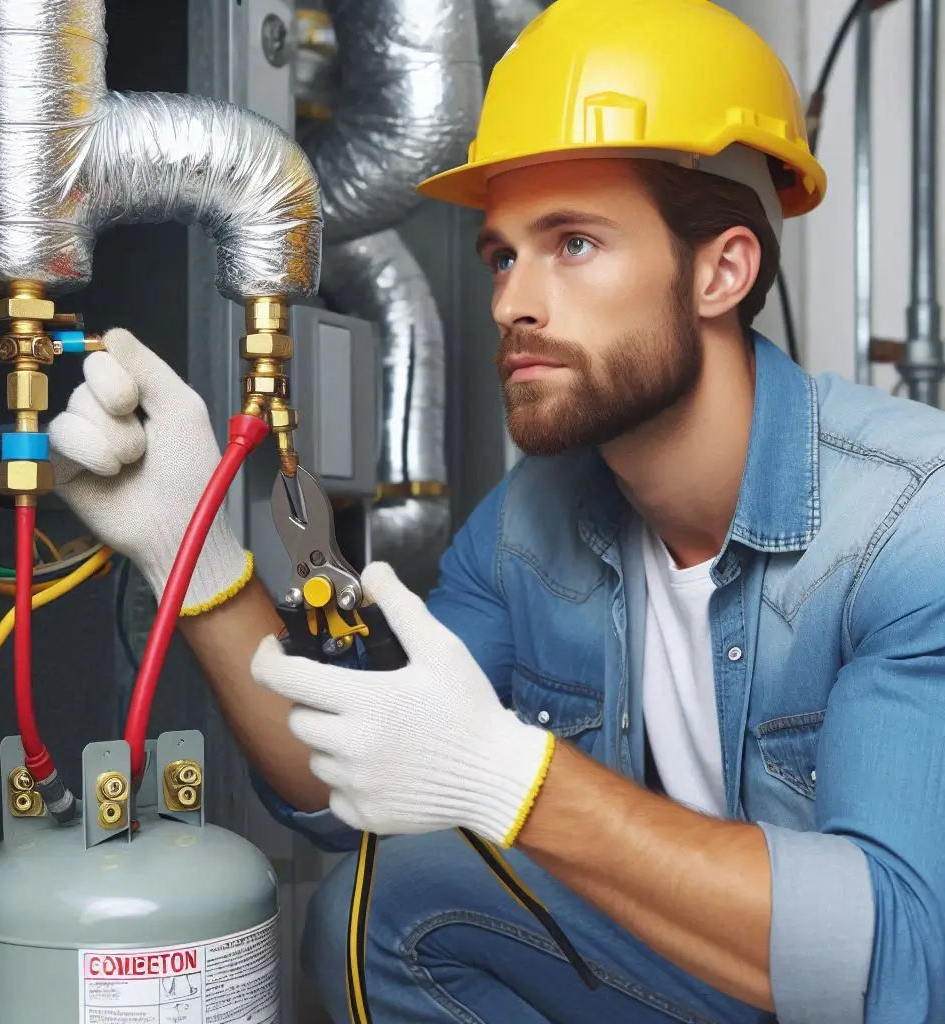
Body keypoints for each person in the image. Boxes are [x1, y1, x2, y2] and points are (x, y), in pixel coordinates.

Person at [47, 0, 945, 1021]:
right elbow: (340, 783)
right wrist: (191, 551)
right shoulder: (529, 527)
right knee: (381, 903)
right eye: (502, 255)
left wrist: (518, 780)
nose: (512, 300)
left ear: (721, 270)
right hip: (692, 983)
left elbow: (901, 963)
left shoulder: (907, 524)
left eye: (572, 243)